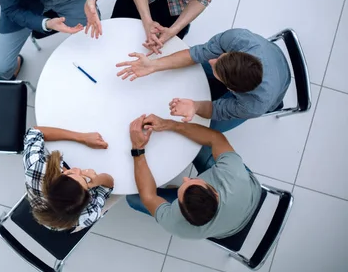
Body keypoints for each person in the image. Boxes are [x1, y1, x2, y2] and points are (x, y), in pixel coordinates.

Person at [115, 28, 291, 167]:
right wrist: (153, 66)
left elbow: (217, 110)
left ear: (231, 89)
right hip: (270, 53)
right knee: (197, 64)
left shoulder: (253, 105)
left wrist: (196, 107)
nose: (212, 61)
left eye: (216, 69)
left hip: (277, 86)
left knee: (206, 127)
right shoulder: (237, 39)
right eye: (221, 58)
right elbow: (197, 54)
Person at [126, 114, 261, 239]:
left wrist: (137, 147)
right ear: (215, 192)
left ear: (180, 210)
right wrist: (170, 124)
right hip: (248, 192)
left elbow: (148, 196)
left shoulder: (176, 223)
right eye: (193, 180)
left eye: (184, 185)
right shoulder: (232, 173)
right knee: (196, 138)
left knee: (133, 198)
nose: (185, 178)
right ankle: (179, 191)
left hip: (232, 225)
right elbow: (216, 138)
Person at [23, 127, 114, 232]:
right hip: (65, 221)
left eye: (68, 174)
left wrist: (82, 137)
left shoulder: (35, 168)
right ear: (88, 198)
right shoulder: (89, 214)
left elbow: (34, 132)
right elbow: (109, 184)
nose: (77, 169)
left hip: (46, 210)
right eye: (83, 181)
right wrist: (98, 180)